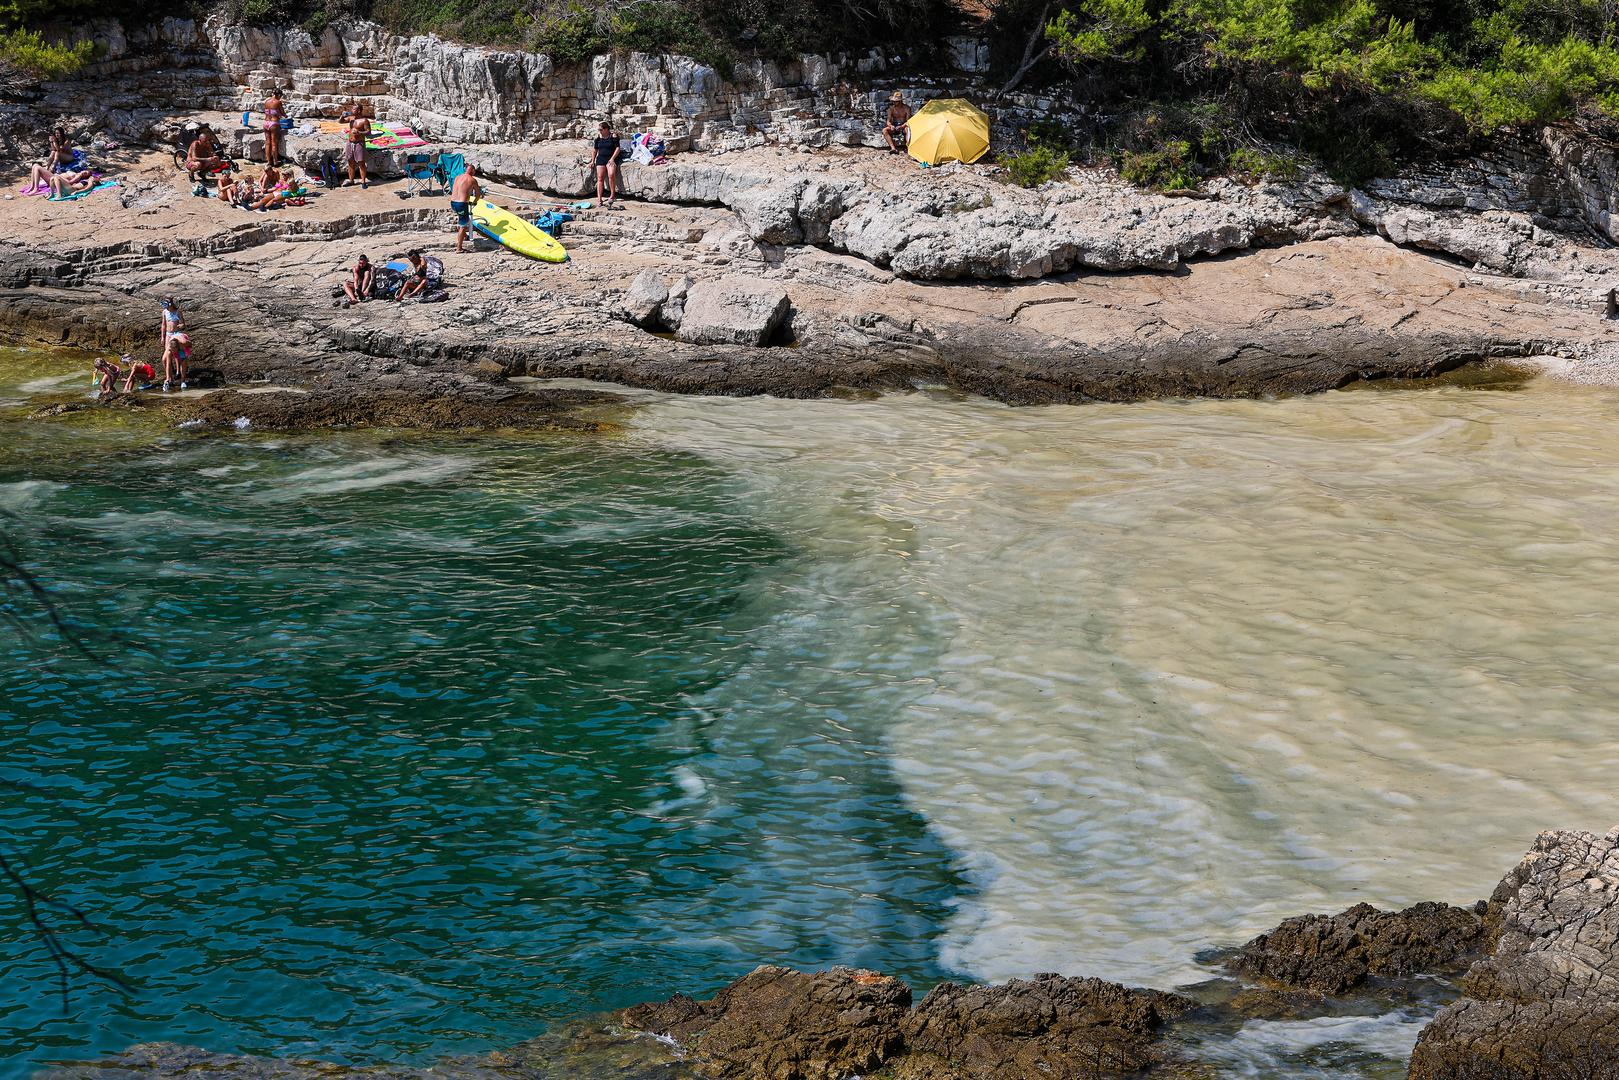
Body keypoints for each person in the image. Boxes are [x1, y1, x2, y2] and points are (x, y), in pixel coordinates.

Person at [449, 162, 481, 253]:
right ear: (473, 171)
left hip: (453, 203)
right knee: (463, 225)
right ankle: (459, 248)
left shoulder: (457, 177)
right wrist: (474, 202)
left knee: (461, 219)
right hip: (462, 204)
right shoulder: (472, 180)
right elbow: (478, 195)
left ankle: (465, 236)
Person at [591, 122, 622, 208]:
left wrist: (612, 158)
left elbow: (618, 148)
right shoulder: (598, 138)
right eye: (599, 130)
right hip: (601, 158)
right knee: (600, 177)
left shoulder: (613, 137)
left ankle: (612, 195)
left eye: (601, 129)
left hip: (610, 158)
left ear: (606, 129)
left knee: (611, 175)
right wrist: (592, 161)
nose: (599, 131)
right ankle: (599, 199)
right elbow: (595, 150)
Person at [345, 107, 370, 189]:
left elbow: (368, 132)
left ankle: (363, 181)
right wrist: (342, 116)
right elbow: (340, 121)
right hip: (350, 142)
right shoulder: (351, 118)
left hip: (359, 143)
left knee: (361, 162)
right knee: (350, 161)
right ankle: (351, 180)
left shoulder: (364, 120)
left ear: (359, 110)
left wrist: (359, 132)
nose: (352, 110)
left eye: (354, 109)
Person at [263, 85, 285, 168]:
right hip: (274, 123)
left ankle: (269, 161)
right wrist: (286, 116)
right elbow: (282, 112)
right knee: (274, 143)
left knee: (267, 142)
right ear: (278, 95)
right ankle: (275, 161)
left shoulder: (266, 101)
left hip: (266, 122)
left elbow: (269, 111)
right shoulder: (278, 102)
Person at [159, 296, 185, 362]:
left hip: (176, 334)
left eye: (166, 305)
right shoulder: (164, 312)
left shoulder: (178, 312)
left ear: (170, 304)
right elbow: (163, 325)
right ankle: (171, 368)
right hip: (168, 334)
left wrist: (181, 325)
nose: (165, 307)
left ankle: (180, 367)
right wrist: (162, 337)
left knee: (177, 352)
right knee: (167, 352)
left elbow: (183, 323)